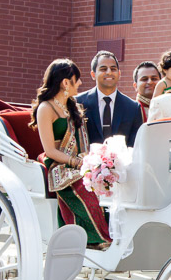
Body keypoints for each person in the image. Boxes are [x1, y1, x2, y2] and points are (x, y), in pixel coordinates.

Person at [29, 59, 111, 250]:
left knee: (105, 183)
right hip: (58, 164)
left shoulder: (72, 106)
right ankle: (97, 239)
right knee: (85, 187)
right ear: (66, 82)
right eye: (77, 79)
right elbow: (50, 150)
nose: (80, 84)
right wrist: (75, 162)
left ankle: (108, 236)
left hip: (78, 162)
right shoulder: (45, 109)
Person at [76, 51, 142, 146]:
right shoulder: (78, 103)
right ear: (93, 74)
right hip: (86, 159)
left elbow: (134, 145)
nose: (109, 72)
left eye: (113, 69)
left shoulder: (133, 108)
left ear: (119, 74)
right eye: (103, 69)